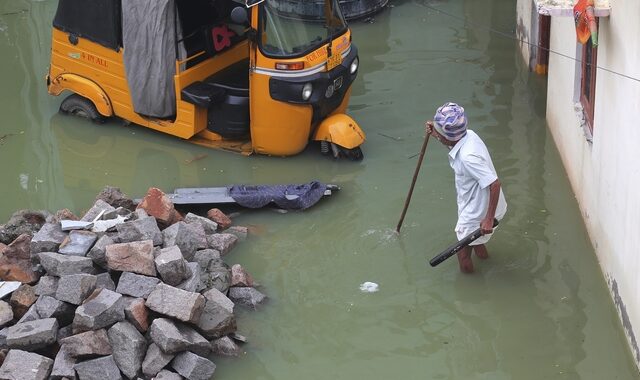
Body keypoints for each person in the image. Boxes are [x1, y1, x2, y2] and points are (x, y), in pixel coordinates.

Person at [426, 102, 507, 273]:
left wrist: (488, 218)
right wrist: (436, 134)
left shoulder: (468, 157)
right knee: (476, 242)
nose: (439, 137)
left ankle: (471, 289)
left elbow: (495, 183)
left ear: (448, 136)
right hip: (477, 202)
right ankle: (487, 263)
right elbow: (451, 141)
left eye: (440, 134)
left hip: (477, 210)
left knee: (463, 256)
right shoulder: (469, 135)